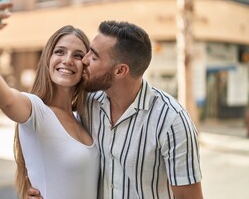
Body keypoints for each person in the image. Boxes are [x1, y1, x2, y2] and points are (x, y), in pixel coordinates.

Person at [27, 21, 203, 199]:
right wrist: (40, 189)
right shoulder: (88, 103)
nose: (85, 60)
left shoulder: (172, 120)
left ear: (120, 71)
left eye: (94, 57)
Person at [0, 0, 99, 199]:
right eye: (60, 51)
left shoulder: (84, 118)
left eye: (78, 55)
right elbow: (4, 98)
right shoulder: (36, 110)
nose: (68, 60)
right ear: (47, 59)